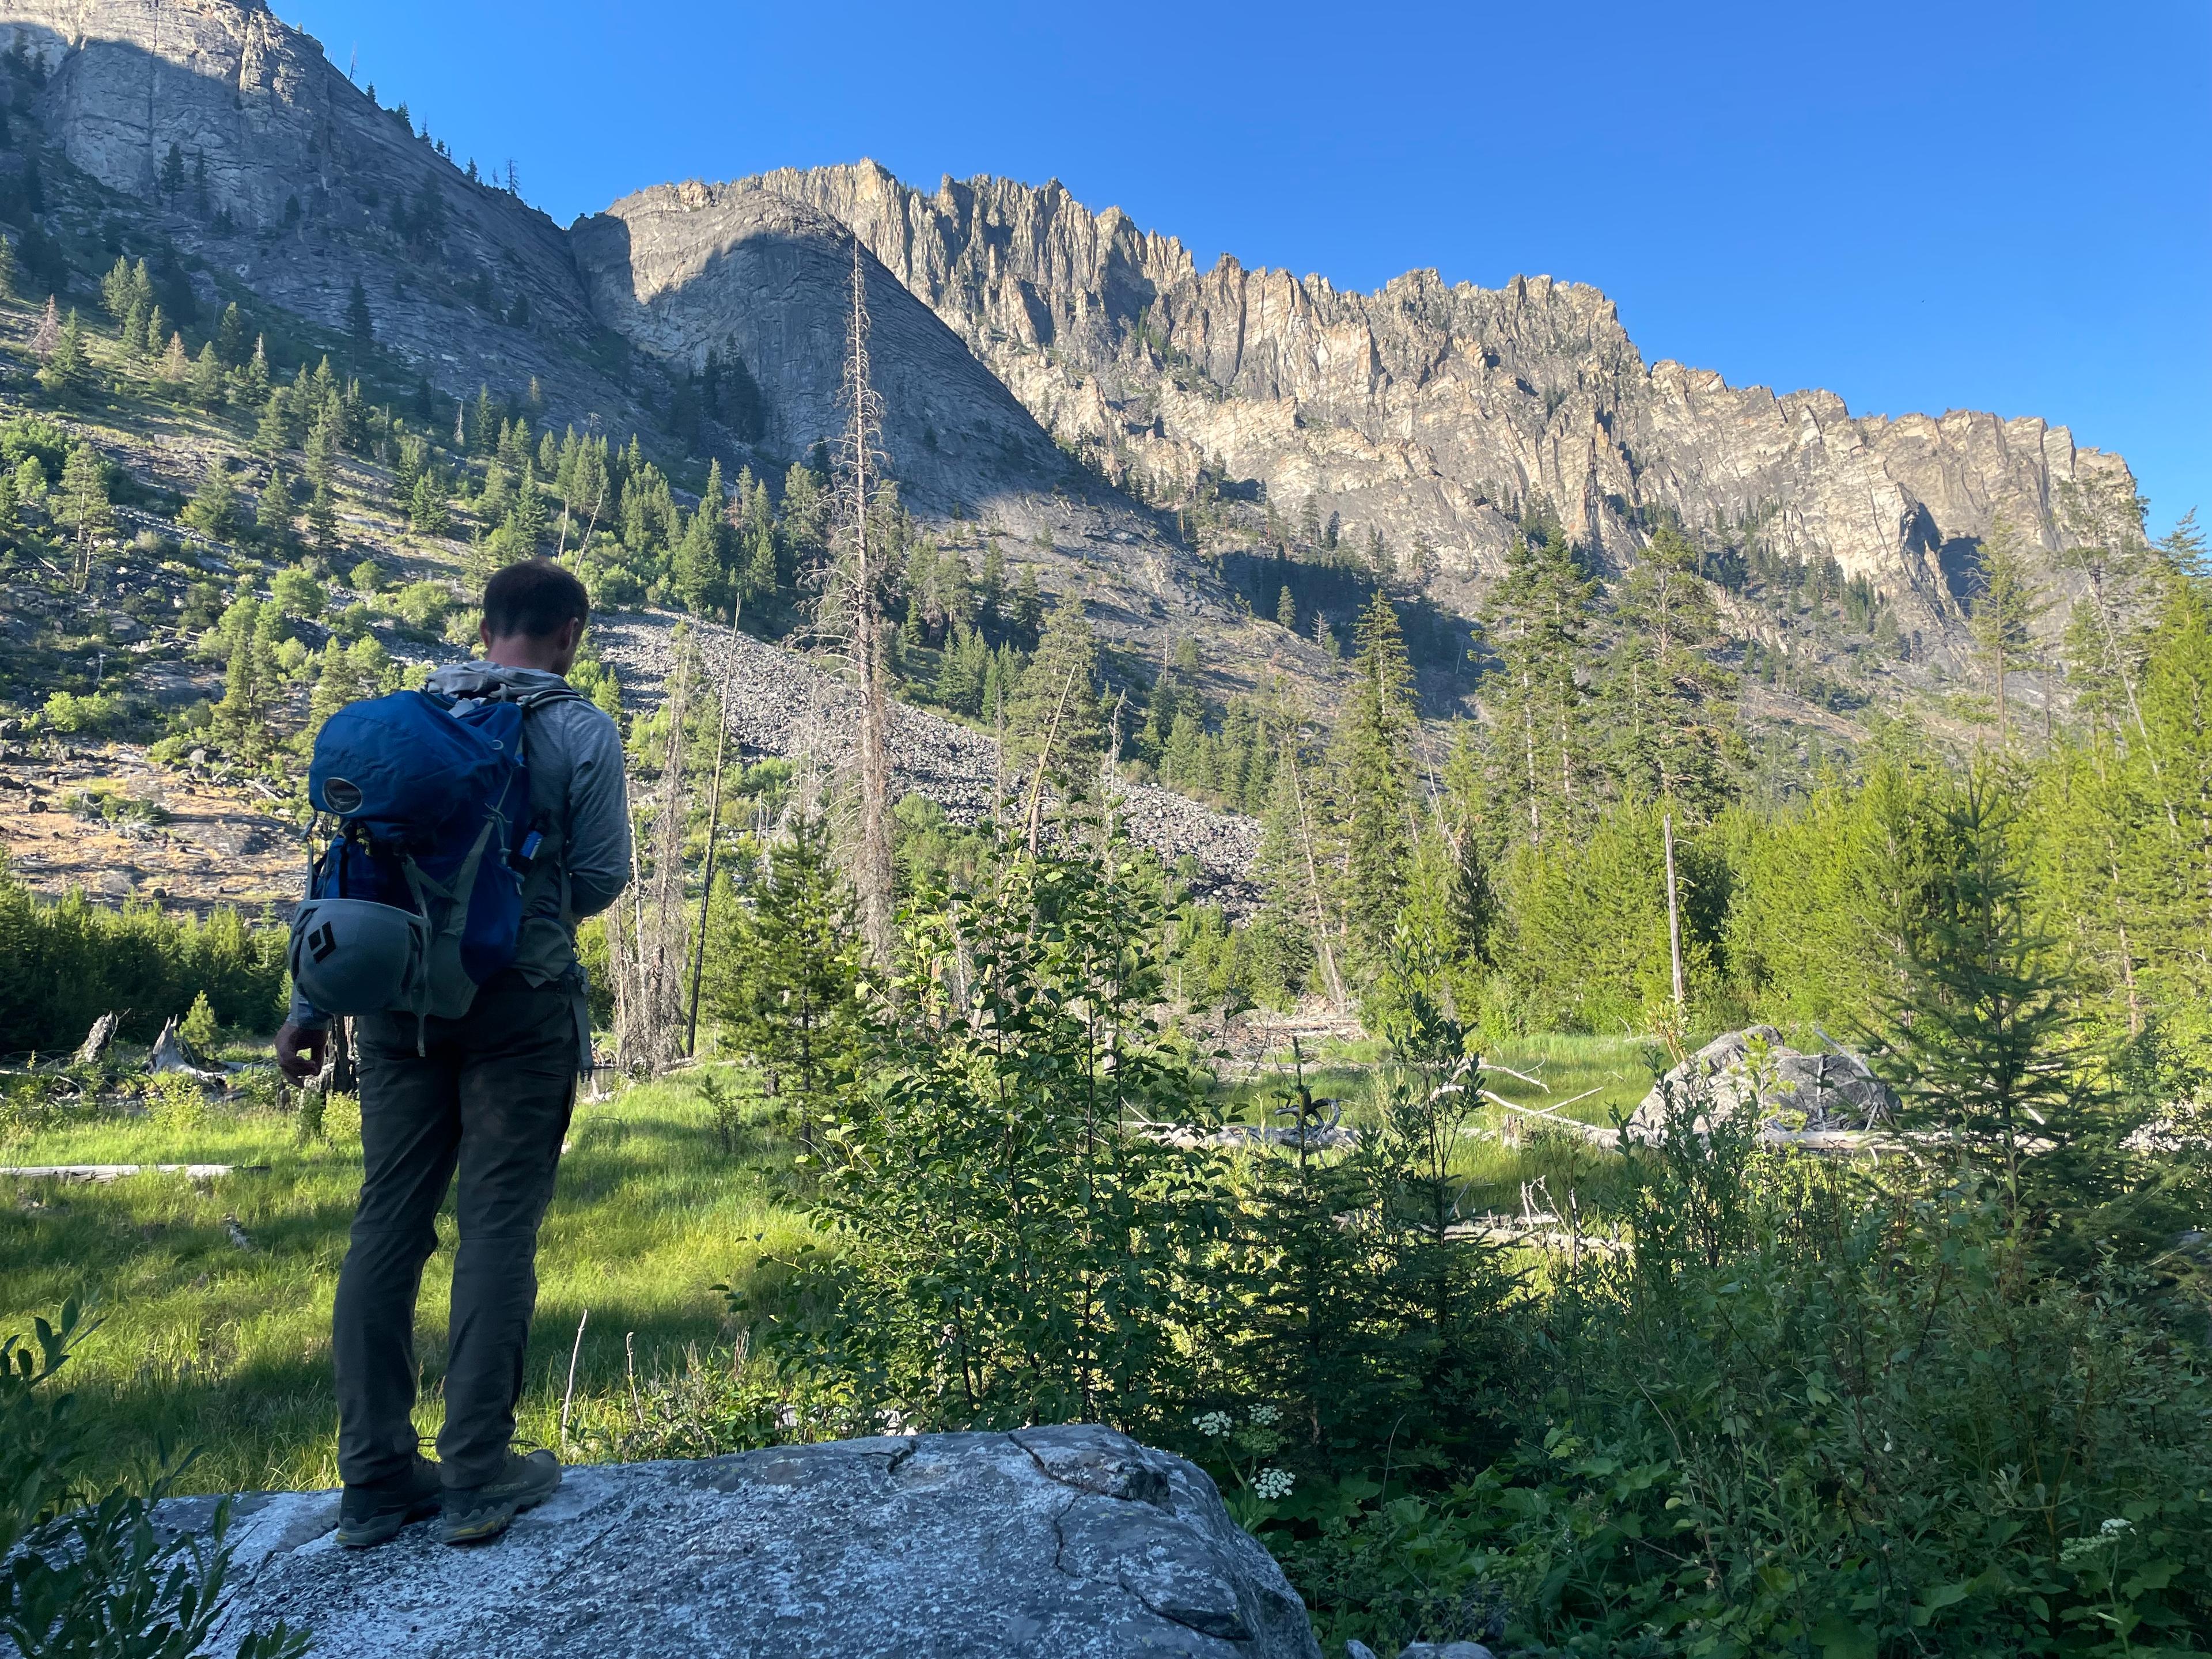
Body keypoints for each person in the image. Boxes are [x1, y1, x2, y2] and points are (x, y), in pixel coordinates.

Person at [276, 559, 630, 1547]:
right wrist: (524, 905)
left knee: (387, 1225)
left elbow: (344, 873)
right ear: (570, 633)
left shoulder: (408, 725)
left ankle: (375, 1478)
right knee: (497, 1232)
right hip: (521, 1008)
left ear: (484, 630)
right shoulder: (579, 730)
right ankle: (477, 1473)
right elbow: (602, 875)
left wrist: (308, 1006)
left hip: (396, 1010)